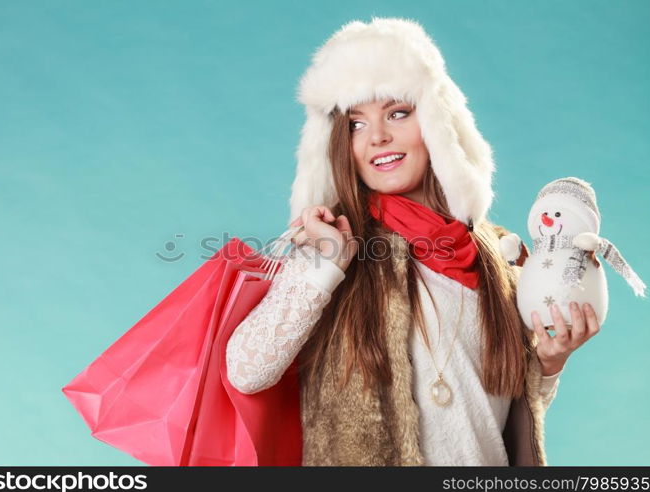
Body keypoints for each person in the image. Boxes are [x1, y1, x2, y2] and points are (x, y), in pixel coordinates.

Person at [225, 17, 601, 466]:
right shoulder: (336, 250)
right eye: (355, 124)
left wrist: (550, 361)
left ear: (438, 123)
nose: (378, 136)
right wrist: (325, 265)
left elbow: (498, 413)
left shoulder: (499, 257)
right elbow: (246, 373)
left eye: (397, 112)